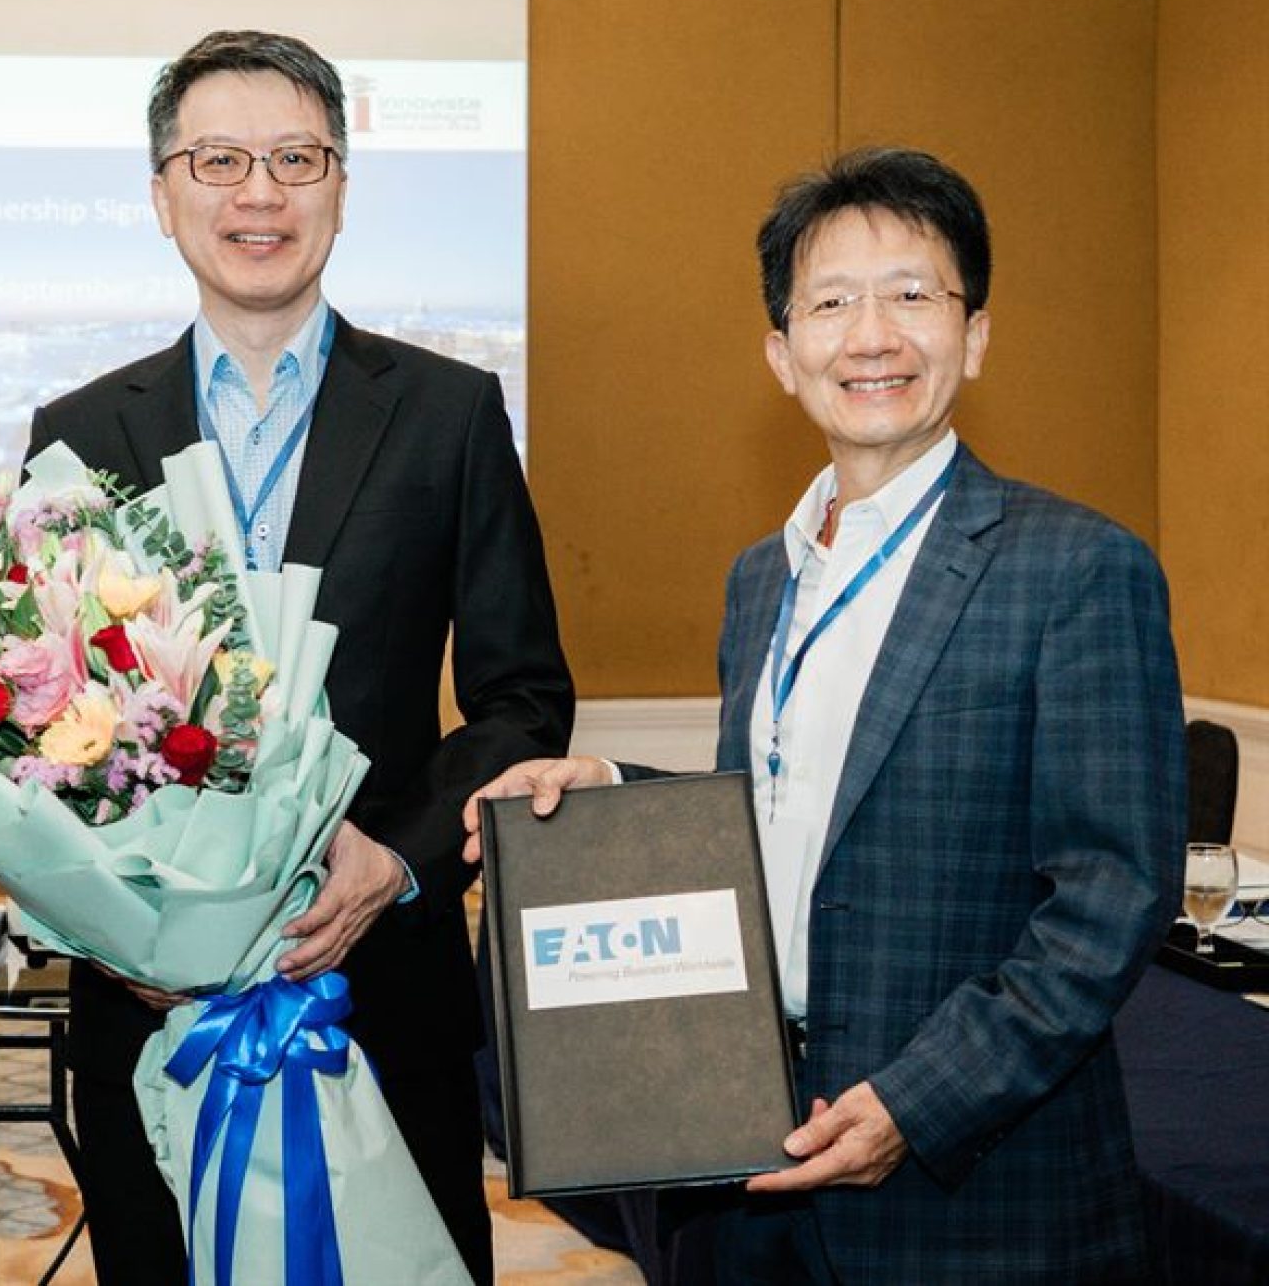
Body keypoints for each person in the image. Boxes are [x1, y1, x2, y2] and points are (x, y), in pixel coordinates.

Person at [464, 147, 1185, 1284]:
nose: (871, 335)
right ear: (779, 352)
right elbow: (780, 826)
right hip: (746, 1158)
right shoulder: (763, 577)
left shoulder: (1076, 567)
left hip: (969, 1190)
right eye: (831, 302)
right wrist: (611, 793)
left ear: (975, 333)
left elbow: (1108, 900)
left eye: (911, 294)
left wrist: (912, 1102)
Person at [27, 29, 574, 1284]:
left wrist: (399, 859)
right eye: (217, 160)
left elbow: (520, 697)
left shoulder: (447, 412)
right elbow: (33, 726)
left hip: (382, 981)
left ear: (339, 186)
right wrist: (125, 926)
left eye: (294, 157)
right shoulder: (79, 434)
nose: (257, 192)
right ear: (162, 195)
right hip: (149, 1000)